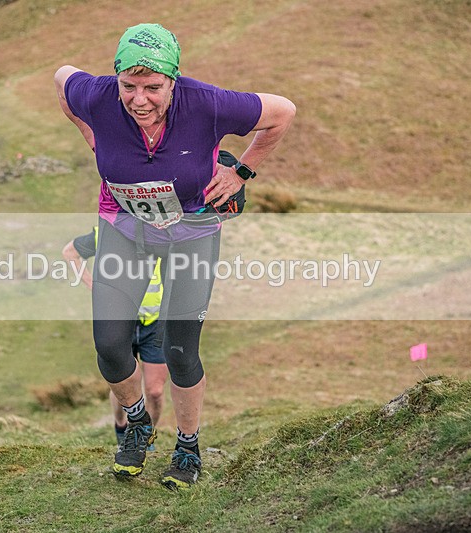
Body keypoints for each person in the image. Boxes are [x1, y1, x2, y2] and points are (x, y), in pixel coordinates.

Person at [54, 23, 296, 490]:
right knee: (109, 346)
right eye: (129, 86)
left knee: (182, 351)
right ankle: (138, 423)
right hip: (124, 227)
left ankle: (187, 447)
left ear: (173, 81)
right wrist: (91, 134)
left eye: (152, 88)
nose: (139, 99)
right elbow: (62, 77)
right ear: (116, 80)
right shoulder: (99, 96)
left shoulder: (206, 103)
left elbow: (283, 112)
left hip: (192, 232)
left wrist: (243, 170)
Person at [62, 227, 168, 449]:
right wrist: (94, 285)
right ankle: (122, 428)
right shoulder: (105, 232)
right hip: (121, 321)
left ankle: (145, 437)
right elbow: (70, 253)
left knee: (155, 392)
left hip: (156, 322)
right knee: (124, 387)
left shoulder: (163, 230)